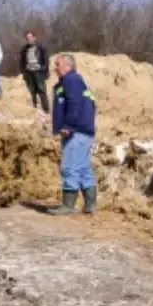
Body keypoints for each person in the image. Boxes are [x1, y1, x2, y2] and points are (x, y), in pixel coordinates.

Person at [48, 53, 97, 215]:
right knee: (83, 168)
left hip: (76, 132)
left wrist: (68, 125)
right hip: (83, 131)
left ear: (68, 66)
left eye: (57, 64)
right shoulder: (75, 81)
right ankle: (90, 205)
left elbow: (74, 104)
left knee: (69, 167)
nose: (55, 68)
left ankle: (68, 205)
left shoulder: (72, 80)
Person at [19, 31, 50, 113]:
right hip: (29, 72)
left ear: (34, 38)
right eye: (27, 38)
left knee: (42, 90)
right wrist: (23, 71)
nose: (29, 40)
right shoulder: (24, 49)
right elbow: (22, 61)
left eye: (30, 38)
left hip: (38, 71)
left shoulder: (41, 47)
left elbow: (46, 59)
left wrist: (44, 68)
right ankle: (35, 108)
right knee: (32, 91)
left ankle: (46, 109)